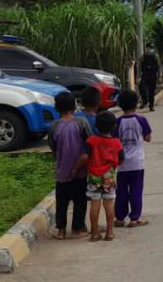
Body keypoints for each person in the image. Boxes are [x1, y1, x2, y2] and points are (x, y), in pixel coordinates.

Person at [48, 91, 91, 240]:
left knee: (62, 202)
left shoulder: (54, 126)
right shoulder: (81, 123)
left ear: (57, 107)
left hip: (62, 172)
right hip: (80, 171)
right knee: (80, 201)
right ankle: (78, 228)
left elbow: (52, 146)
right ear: (74, 106)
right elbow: (89, 143)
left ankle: (61, 231)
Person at [81, 111, 124, 242]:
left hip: (94, 175)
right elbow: (121, 159)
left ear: (96, 126)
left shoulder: (91, 141)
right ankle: (110, 233)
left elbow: (85, 156)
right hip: (109, 175)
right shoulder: (117, 142)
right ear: (114, 126)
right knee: (109, 203)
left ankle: (94, 233)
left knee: (95, 203)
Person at [113, 90, 152, 228]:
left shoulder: (117, 122)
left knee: (121, 191)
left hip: (122, 163)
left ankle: (119, 217)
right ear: (136, 103)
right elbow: (148, 138)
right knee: (136, 189)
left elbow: (114, 140)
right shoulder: (141, 120)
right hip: (137, 162)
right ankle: (135, 218)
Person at [139, 45, 160, 112]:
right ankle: (144, 101)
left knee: (151, 91)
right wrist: (138, 77)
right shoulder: (142, 57)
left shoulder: (155, 56)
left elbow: (158, 66)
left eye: (150, 48)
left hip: (153, 75)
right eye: (147, 48)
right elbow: (139, 67)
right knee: (141, 87)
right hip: (145, 74)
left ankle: (151, 106)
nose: (148, 49)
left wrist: (159, 76)